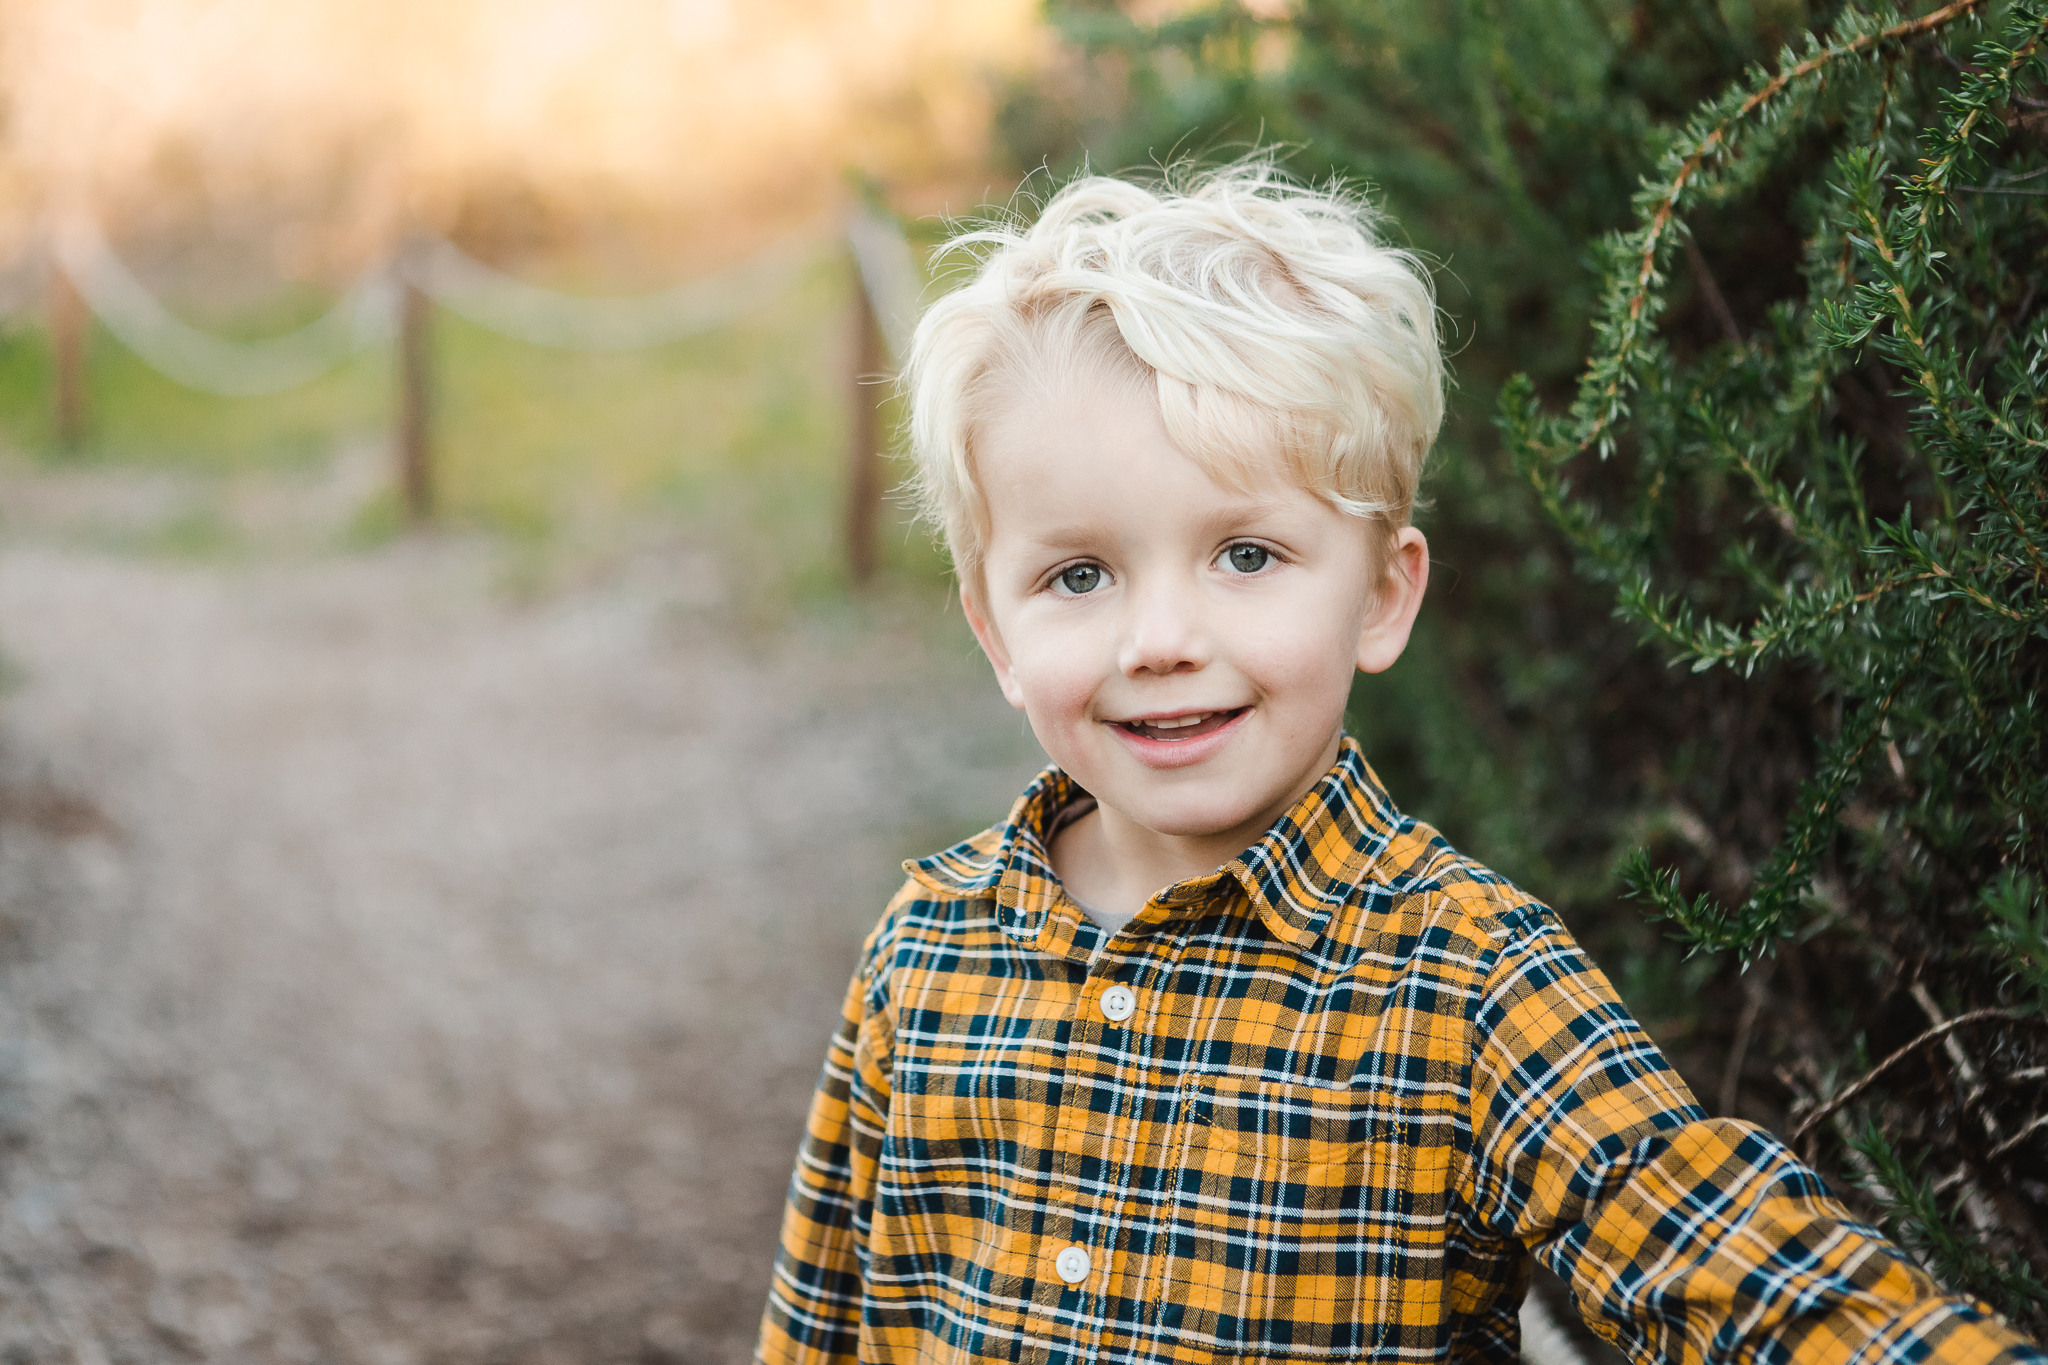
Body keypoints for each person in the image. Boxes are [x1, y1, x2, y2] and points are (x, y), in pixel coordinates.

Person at [755, 160, 2042, 1365]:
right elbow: (819, 1323)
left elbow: (1724, 1256)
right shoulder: (922, 953)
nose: (1159, 642)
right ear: (994, 630)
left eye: (1244, 555)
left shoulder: (1469, 980)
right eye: (1077, 574)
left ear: (1379, 595)